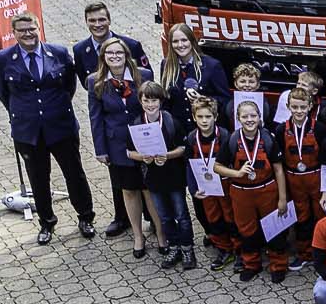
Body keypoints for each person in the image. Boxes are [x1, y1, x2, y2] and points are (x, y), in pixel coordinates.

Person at [0, 12, 95, 244]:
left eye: (32, 29)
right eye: (22, 30)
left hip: (61, 126)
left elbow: (68, 87)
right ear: (14, 33)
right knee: (38, 180)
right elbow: (4, 93)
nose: (28, 34)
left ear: (39, 29)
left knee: (74, 174)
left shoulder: (58, 53)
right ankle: (47, 222)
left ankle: (86, 217)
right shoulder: (3, 59)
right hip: (28, 132)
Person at [72, 2, 150, 239]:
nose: (97, 25)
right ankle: (122, 218)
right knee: (121, 179)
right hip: (112, 129)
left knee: (147, 178)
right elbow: (88, 89)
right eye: (92, 21)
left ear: (109, 20)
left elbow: (148, 85)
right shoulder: (80, 50)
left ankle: (152, 218)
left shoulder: (131, 45)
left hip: (138, 128)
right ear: (86, 22)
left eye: (101, 20)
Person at [88, 37, 159, 259]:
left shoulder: (143, 76)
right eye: (110, 54)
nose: (115, 57)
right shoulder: (95, 82)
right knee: (129, 190)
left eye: (119, 53)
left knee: (150, 189)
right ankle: (138, 235)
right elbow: (96, 118)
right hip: (117, 144)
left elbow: (153, 107)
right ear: (103, 58)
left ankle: (162, 233)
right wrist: (101, 149)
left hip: (143, 141)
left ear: (127, 55)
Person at [217, 87, 290, 282]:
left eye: (253, 115)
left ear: (260, 117)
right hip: (241, 193)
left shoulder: (268, 138)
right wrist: (237, 173)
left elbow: (279, 170)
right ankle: (251, 264)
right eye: (245, 116)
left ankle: (278, 265)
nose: (249, 120)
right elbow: (217, 167)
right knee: (246, 230)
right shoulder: (232, 140)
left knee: (274, 228)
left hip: (267, 190)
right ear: (238, 119)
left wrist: (282, 198)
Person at [130, 83, 195, 269]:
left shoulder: (171, 122)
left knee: (181, 214)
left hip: (174, 177)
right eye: (146, 101)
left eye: (154, 100)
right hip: (153, 180)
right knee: (164, 216)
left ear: (160, 101)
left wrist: (167, 155)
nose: (150, 104)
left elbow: (183, 148)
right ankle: (173, 247)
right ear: (140, 101)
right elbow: (129, 152)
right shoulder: (136, 124)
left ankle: (187, 248)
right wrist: (142, 156)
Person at [185, 96, 237, 266]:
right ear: (194, 117)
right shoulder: (192, 138)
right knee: (213, 218)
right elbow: (189, 166)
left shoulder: (224, 135)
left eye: (208, 117)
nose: (204, 121)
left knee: (231, 217)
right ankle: (224, 249)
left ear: (215, 117)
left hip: (225, 185)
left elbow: (232, 162)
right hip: (206, 186)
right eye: (200, 117)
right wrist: (193, 189)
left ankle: (238, 249)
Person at [277, 86, 324, 269]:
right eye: (295, 107)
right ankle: (304, 254)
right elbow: (279, 161)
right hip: (294, 179)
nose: (299, 111)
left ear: (310, 106)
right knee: (301, 217)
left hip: (315, 176)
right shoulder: (282, 130)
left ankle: (321, 256)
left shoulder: (319, 128)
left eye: (302, 107)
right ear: (288, 106)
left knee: (320, 216)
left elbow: (325, 161)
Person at [158, 22, 230, 133]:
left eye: (184, 40)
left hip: (205, 131)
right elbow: (166, 100)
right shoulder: (166, 65)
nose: (180, 45)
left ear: (192, 41)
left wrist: (204, 99)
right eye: (175, 41)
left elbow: (226, 100)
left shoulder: (212, 65)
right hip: (179, 130)